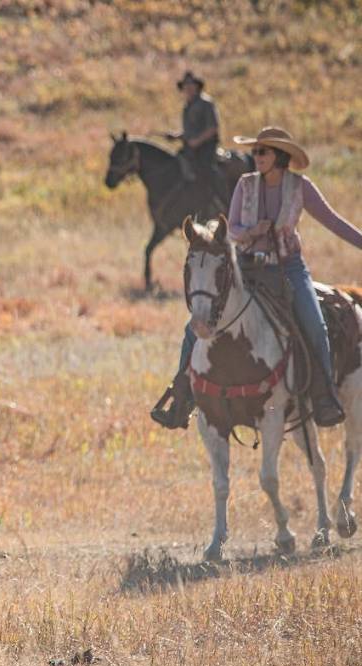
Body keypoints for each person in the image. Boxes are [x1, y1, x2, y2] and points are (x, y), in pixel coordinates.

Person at [151, 127, 362, 430]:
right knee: (192, 328)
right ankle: (181, 398)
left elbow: (334, 222)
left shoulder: (300, 187)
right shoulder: (245, 185)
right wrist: (251, 233)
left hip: (288, 268)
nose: (256, 157)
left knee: (316, 325)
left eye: (263, 152)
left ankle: (324, 396)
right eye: (256, 151)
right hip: (247, 268)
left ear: (280, 156)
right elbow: (232, 227)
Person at [167, 70, 227, 205]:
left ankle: (220, 201)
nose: (187, 88)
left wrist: (197, 141)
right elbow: (190, 131)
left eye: (190, 84)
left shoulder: (206, 103)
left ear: (197, 86)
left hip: (206, 147)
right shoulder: (187, 106)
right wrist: (177, 136)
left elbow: (213, 128)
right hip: (190, 148)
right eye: (185, 85)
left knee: (207, 169)